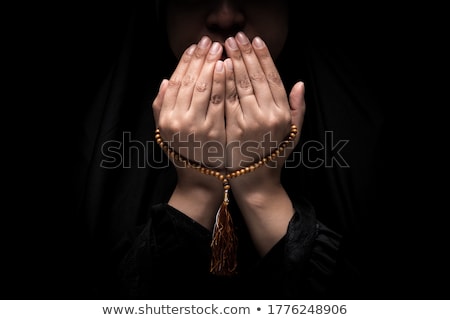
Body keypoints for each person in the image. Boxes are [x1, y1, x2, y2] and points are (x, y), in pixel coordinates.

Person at [71, 0, 387, 299]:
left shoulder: (367, 130)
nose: (225, 16)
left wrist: (261, 191)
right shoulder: (90, 138)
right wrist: (196, 187)